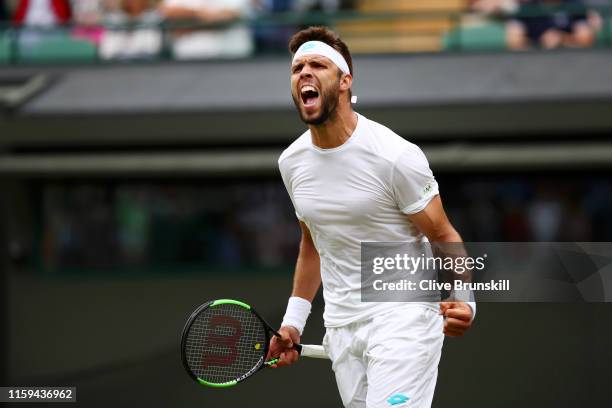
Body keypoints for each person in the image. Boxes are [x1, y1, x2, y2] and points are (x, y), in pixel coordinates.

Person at [269, 26, 475, 408]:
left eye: (317, 65)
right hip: (342, 327)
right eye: (297, 68)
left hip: (404, 316)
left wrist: (464, 297)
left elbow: (443, 233)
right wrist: (293, 322)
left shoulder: (395, 156)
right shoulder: (291, 163)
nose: (304, 74)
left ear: (345, 80)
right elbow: (313, 244)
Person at [159, 0, 253, 59]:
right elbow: (168, 11)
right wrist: (199, 14)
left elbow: (227, 17)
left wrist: (187, 26)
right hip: (189, 58)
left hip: (232, 59)